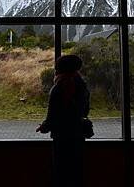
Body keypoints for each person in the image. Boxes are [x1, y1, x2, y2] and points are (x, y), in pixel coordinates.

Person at [36, 54, 90, 187]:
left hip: (62, 136)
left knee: (61, 172)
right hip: (78, 134)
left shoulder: (59, 87)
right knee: (76, 172)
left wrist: (44, 127)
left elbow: (53, 115)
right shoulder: (81, 85)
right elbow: (85, 110)